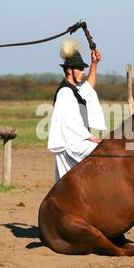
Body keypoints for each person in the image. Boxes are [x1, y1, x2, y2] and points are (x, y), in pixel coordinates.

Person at [47, 39, 106, 182]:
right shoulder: (65, 93)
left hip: (76, 143)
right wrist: (89, 137)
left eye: (83, 69)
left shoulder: (75, 90)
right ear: (69, 70)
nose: (83, 72)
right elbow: (69, 122)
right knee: (105, 153)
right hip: (71, 146)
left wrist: (94, 64)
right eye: (79, 69)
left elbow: (89, 86)